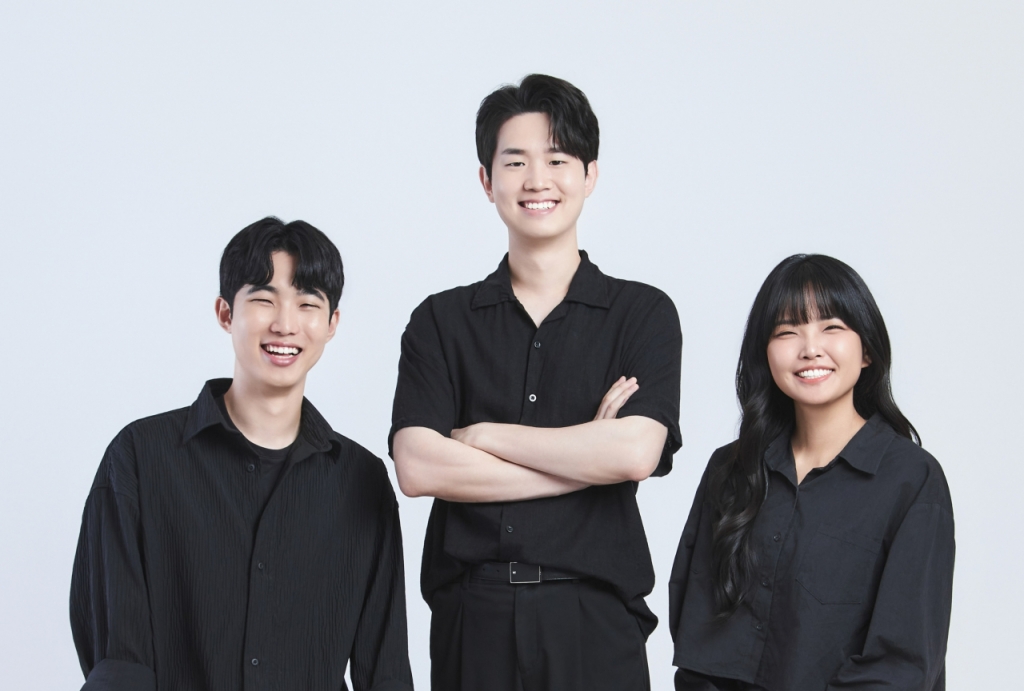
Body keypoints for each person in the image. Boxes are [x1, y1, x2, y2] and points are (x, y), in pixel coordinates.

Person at [390, 74, 682, 690]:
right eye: (515, 161)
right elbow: (417, 467)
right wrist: (584, 459)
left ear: (590, 175)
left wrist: (484, 435)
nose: (537, 180)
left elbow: (634, 453)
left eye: (557, 160)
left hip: (595, 620)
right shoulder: (441, 321)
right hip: (474, 619)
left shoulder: (642, 314)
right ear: (486, 180)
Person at [70, 218, 413, 691]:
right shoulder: (140, 458)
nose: (285, 324)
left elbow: (386, 672)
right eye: (264, 300)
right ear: (225, 312)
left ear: (332, 323)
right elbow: (118, 663)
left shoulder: (362, 481)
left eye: (307, 304)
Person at [669, 254, 954, 690]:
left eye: (832, 327)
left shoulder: (911, 480)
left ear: (867, 350)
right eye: (787, 331)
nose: (810, 348)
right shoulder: (730, 470)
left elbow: (901, 663)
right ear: (765, 352)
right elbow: (698, 638)